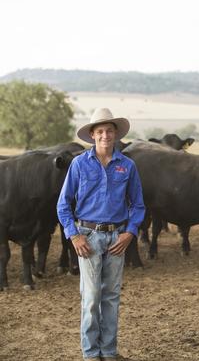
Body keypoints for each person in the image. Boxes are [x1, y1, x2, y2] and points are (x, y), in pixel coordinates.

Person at [57, 108, 145, 361]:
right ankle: (90, 353)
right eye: (100, 131)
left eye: (109, 131)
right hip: (88, 236)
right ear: (92, 135)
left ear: (116, 134)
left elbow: (138, 205)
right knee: (92, 295)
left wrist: (130, 233)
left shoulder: (127, 166)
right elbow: (64, 204)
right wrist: (74, 235)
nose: (105, 135)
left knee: (111, 296)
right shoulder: (79, 164)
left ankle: (108, 351)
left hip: (117, 237)